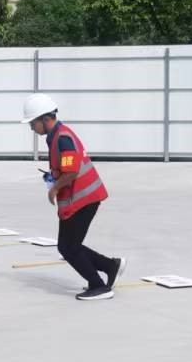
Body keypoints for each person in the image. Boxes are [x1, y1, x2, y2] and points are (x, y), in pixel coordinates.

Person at [24, 93, 122, 301]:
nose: (32, 128)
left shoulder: (62, 138)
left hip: (84, 199)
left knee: (69, 247)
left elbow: (71, 171)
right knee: (68, 246)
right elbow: (66, 168)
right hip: (79, 199)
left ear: (45, 119)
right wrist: (53, 176)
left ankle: (100, 286)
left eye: (32, 123)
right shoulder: (56, 137)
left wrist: (54, 188)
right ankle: (110, 265)